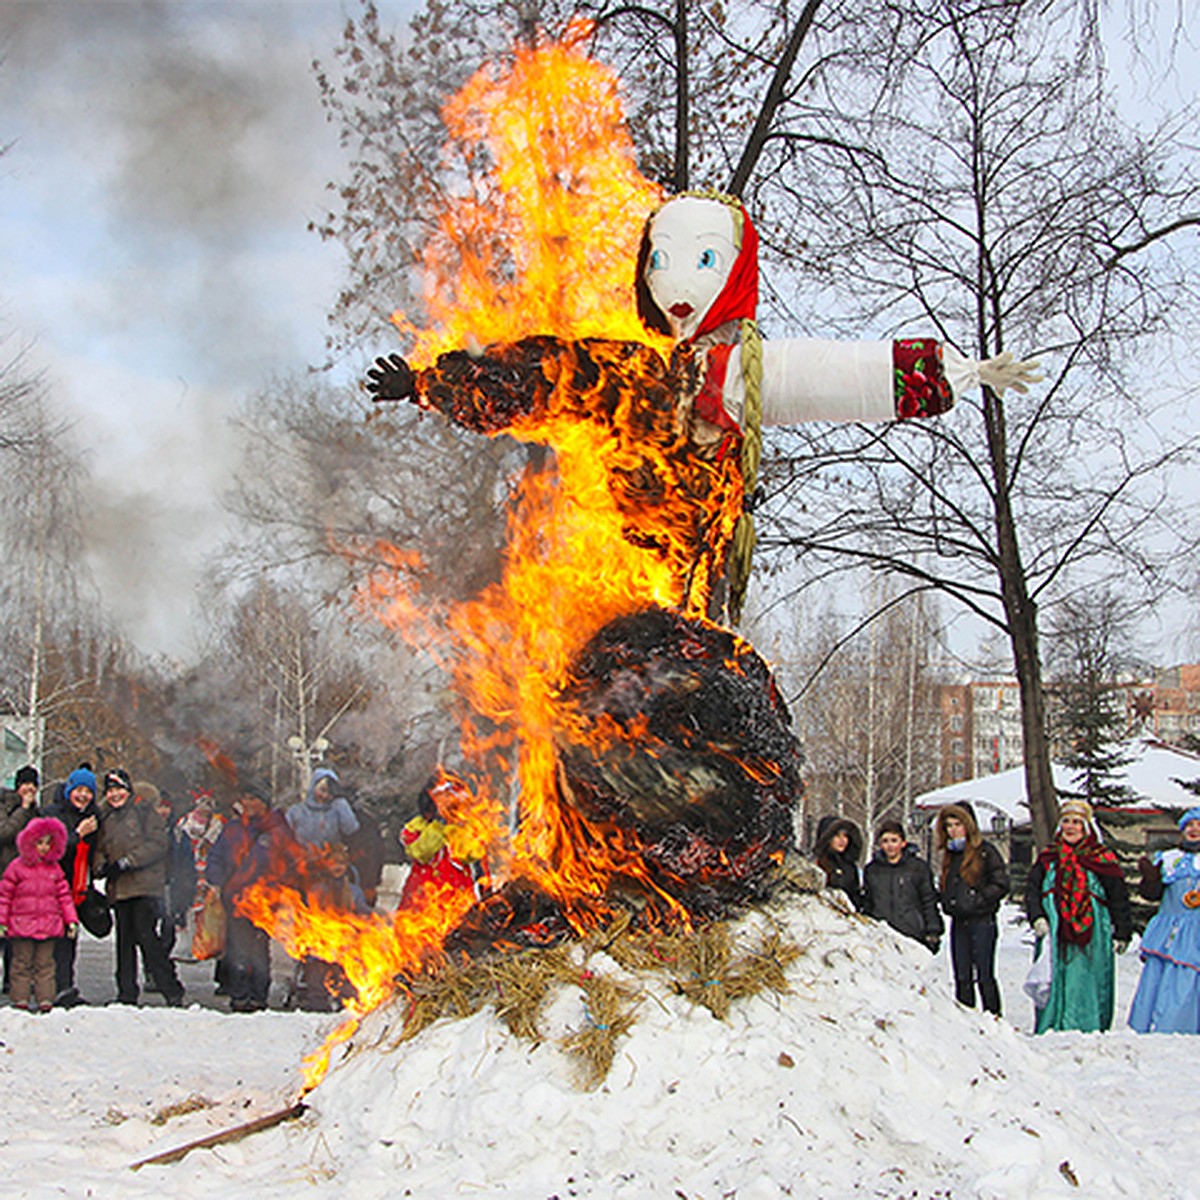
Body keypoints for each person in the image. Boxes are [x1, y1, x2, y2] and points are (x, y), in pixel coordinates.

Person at [1024, 798, 1131, 1033]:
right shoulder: (1048, 858)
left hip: (1093, 931)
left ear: (1086, 828)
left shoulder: (1102, 859)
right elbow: (1032, 890)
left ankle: (1088, 1023)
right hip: (1056, 929)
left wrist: (1122, 930)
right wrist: (1037, 917)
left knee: (1087, 976)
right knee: (1056, 975)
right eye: (1066, 822)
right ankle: (1053, 1023)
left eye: (1076, 822)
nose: (1070, 827)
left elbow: (1118, 897)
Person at [94, 769, 185, 1007]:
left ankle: (171, 988)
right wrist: (102, 866)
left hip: (145, 888)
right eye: (110, 791)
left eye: (119, 789)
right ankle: (126, 992)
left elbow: (158, 844)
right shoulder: (107, 819)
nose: (115, 795)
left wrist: (128, 861)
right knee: (124, 943)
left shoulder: (145, 812)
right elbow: (100, 848)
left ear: (128, 789)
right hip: (120, 890)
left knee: (147, 939)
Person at [206, 784, 293, 1012]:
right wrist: (216, 879)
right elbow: (216, 856)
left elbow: (290, 863)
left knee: (258, 949)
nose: (248, 803)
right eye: (245, 798)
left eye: (253, 799)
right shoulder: (232, 829)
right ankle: (239, 995)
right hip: (235, 899)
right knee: (238, 949)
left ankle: (258, 995)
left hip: (264, 900)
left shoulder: (277, 830)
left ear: (264, 803)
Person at [1128, 805, 1200, 1034]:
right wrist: (1151, 880)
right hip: (1171, 927)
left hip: (1196, 929)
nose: (1194, 829)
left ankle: (1183, 1025)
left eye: (1199, 825)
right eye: (1189, 825)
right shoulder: (1169, 859)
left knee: (1187, 978)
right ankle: (1152, 1024)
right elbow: (1152, 894)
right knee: (1160, 976)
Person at [935, 802, 1009, 1015]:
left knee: (984, 975)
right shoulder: (950, 855)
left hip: (982, 920)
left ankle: (993, 1016)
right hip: (959, 921)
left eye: (958, 824)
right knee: (962, 976)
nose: (953, 830)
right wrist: (947, 899)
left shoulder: (984, 851)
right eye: (949, 826)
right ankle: (966, 1018)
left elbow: (1001, 883)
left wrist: (978, 900)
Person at [0, 816, 77, 1012]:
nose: (43, 848)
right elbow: (4, 897)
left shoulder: (55, 870)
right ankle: (20, 999)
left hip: (48, 926)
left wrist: (71, 920)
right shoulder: (16, 868)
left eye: (48, 843)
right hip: (21, 926)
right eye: (39, 842)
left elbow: (64, 897)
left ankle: (45, 999)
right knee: (21, 965)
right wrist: (2, 921)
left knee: (46, 965)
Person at [44, 765, 101, 1006]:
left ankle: (65, 987)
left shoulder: (93, 816)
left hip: (76, 887)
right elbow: (51, 849)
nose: (83, 796)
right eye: (78, 790)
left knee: (70, 937)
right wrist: (77, 834)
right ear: (69, 790)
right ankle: (53, 988)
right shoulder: (54, 813)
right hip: (53, 886)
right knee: (53, 941)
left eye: (88, 791)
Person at [399, 772, 485, 909]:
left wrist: (457, 826)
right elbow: (421, 853)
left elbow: (472, 853)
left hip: (457, 902)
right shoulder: (416, 828)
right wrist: (439, 825)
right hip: (421, 903)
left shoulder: (464, 829)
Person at [862, 820, 943, 952]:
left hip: (912, 933)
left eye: (894, 840)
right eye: (885, 841)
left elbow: (928, 900)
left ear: (903, 843)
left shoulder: (917, 868)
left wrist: (933, 931)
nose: (890, 846)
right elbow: (868, 901)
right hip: (882, 935)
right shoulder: (872, 870)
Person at [1, 764, 41, 994]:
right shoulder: (7, 806)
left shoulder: (35, 811)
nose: (29, 790)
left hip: (25, 882)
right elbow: (5, 832)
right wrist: (23, 809)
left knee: (17, 935)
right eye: (25, 785)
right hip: (3, 876)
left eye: (33, 786)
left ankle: (11, 978)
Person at [286, 767, 360, 849]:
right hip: (301, 857)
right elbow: (282, 836)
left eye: (330, 793)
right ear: (313, 786)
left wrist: (342, 804)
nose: (324, 796)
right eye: (322, 790)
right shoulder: (296, 811)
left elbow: (351, 830)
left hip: (330, 858)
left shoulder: (337, 809)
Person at [812, 815, 864, 910]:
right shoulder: (816, 863)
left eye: (845, 836)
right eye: (837, 836)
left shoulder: (850, 866)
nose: (842, 840)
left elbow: (855, 896)